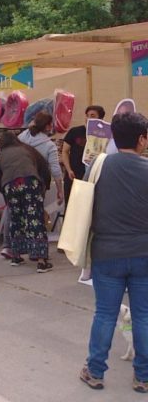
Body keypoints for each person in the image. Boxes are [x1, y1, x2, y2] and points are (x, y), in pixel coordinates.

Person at [78, 111, 148, 392]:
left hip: (106, 252)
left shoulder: (97, 166)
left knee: (105, 314)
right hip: (144, 253)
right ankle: (142, 376)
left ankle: (95, 371)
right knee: (143, 315)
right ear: (142, 138)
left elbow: (86, 206)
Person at [0, 111, 64, 261]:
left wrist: (4, 192)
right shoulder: (49, 145)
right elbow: (54, 169)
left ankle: (11, 249)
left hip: (11, 183)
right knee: (34, 218)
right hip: (34, 182)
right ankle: (39, 256)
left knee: (14, 216)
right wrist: (59, 190)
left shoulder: (20, 140)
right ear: (48, 126)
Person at [0, 131, 52, 271]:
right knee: (35, 219)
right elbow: (44, 168)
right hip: (30, 182)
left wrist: (7, 195)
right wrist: (45, 187)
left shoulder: (1, 157)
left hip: (10, 186)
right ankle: (41, 261)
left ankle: (16, 256)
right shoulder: (27, 149)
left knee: (15, 219)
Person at [62, 105, 105, 203]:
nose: (89, 118)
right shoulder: (75, 131)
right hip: (73, 176)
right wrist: (68, 169)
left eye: (92, 115)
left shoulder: (103, 135)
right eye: (87, 115)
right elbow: (64, 151)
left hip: (93, 177)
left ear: (100, 118)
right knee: (71, 206)